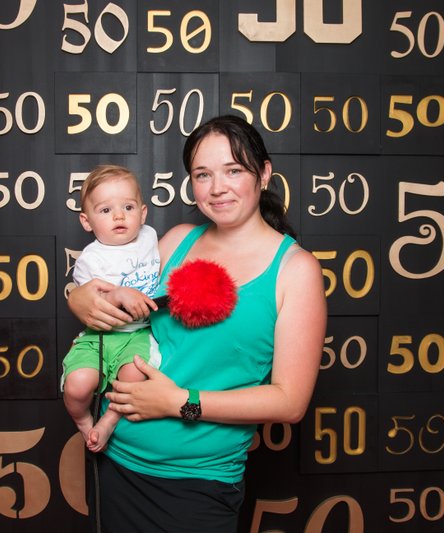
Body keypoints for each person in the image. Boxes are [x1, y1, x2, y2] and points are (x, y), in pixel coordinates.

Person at [68, 115, 326, 532]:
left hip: (199, 482)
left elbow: (289, 402)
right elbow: (116, 293)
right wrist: (77, 297)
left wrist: (178, 402)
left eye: (233, 170)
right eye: (203, 174)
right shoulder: (176, 241)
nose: (217, 187)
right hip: (116, 461)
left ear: (264, 174)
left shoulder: (295, 270)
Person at [61, 164, 160, 453]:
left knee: (135, 376)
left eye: (128, 207)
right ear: (86, 221)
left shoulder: (150, 237)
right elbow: (93, 305)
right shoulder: (90, 260)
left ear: (143, 213)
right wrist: (117, 294)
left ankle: (110, 420)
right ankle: (83, 420)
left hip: (138, 334)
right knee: (78, 384)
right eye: (105, 210)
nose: (119, 216)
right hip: (99, 336)